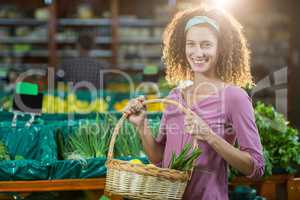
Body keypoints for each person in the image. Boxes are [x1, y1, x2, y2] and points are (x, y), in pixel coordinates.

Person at [124, 5, 264, 200]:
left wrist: (209, 135)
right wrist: (142, 126)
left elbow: (256, 167)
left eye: (206, 44)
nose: (197, 52)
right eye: (191, 44)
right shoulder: (174, 97)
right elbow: (158, 158)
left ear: (220, 47)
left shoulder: (234, 97)